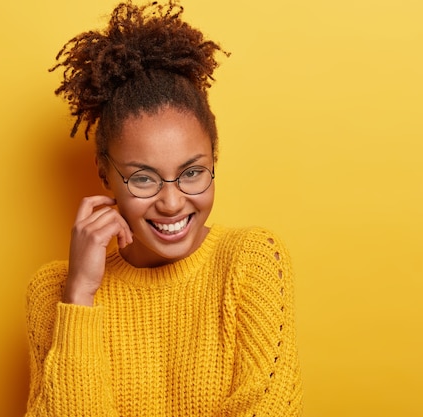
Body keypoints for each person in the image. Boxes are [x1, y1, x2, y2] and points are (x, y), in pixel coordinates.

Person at [24, 1, 303, 416]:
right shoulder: (54, 292)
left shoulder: (251, 262)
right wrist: (80, 295)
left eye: (192, 173)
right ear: (105, 176)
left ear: (214, 161)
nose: (172, 203)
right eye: (143, 178)